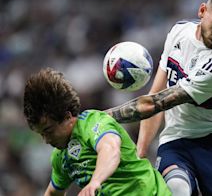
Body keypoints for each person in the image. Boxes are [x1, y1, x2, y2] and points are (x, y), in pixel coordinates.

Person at [107, 0, 212, 195]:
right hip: (175, 139)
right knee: (176, 189)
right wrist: (141, 152)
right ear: (202, 11)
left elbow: (154, 104)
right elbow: (155, 94)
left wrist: (101, 118)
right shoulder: (179, 32)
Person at [23, 68, 171, 196]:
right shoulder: (61, 158)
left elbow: (110, 150)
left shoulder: (93, 122)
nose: (46, 140)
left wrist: (95, 182)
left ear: (67, 117)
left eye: (48, 131)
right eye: (41, 134)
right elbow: (53, 192)